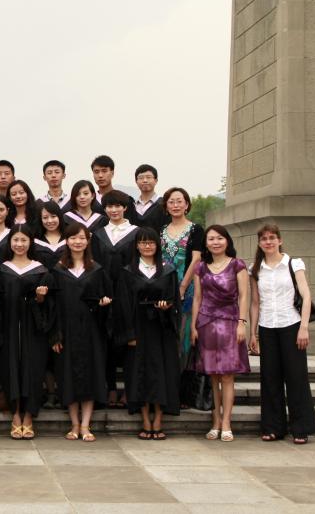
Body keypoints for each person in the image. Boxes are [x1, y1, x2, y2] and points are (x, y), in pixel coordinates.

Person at [248, 223, 315, 445]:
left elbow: (306, 296)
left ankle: (301, 427)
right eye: (264, 239)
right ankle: (273, 427)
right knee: (270, 378)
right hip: (267, 326)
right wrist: (253, 333)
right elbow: (255, 303)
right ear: (259, 243)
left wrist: (304, 327)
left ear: (280, 240)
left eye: (272, 238)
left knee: (296, 377)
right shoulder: (255, 269)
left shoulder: (293, 264)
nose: (268, 242)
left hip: (291, 325)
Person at [50, 223, 112, 442]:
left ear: (88, 241)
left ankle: (85, 425)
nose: (77, 242)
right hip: (66, 331)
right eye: (73, 238)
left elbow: (107, 299)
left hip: (91, 332)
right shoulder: (58, 270)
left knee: (90, 376)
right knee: (68, 376)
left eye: (82, 238)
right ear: (66, 241)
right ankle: (74, 424)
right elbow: (53, 306)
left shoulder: (97, 270)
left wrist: (104, 304)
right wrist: (55, 334)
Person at [191, 224, 250, 442]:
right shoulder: (201, 267)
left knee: (227, 375)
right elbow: (198, 298)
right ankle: (215, 420)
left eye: (219, 238)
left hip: (230, 323)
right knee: (212, 375)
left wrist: (242, 323)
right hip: (206, 323)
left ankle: (226, 422)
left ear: (227, 241)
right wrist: (193, 326)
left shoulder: (237, 265)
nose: (215, 242)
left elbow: (244, 296)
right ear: (206, 243)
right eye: (211, 239)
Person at [0, 224, 52, 440]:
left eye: (24, 240)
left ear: (31, 243)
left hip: (33, 330)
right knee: (11, 369)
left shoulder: (41, 270)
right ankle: (15, 414)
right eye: (16, 240)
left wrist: (40, 298)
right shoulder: (1, 270)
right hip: (9, 328)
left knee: (33, 370)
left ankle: (29, 415)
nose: (19, 244)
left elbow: (49, 306)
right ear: (10, 242)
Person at [123, 228, 180, 440]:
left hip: (161, 329)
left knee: (161, 373)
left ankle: (159, 419)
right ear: (137, 245)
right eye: (143, 242)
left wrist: (167, 307)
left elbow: (175, 300)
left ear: (158, 245)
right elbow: (123, 305)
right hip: (138, 328)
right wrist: (129, 334)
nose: (147, 246)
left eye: (151, 242)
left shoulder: (168, 270)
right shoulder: (128, 271)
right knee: (140, 372)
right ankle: (146, 418)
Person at [90, 190, 139, 408]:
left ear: (125, 208)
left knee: (129, 342)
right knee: (106, 342)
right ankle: (110, 388)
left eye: (118, 206)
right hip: (105, 295)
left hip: (129, 295)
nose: (114, 210)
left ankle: (129, 389)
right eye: (109, 206)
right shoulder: (98, 234)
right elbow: (94, 265)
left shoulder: (136, 233)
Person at [160, 186, 204, 369]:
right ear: (166, 206)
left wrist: (183, 287)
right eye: (171, 202)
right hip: (165, 289)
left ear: (187, 205)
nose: (175, 205)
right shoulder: (161, 230)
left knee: (185, 335)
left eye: (179, 201)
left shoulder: (195, 229)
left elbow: (197, 259)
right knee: (166, 335)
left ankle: (185, 381)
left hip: (188, 289)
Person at [126, 164, 167, 231]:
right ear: (136, 181)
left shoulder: (164, 204)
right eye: (141, 178)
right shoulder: (131, 206)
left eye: (148, 177)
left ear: (156, 180)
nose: (145, 180)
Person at [33, 201, 67, 268]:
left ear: (59, 217)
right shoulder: (35, 241)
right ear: (40, 219)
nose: (50, 221)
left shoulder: (69, 238)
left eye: (53, 216)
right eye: (45, 217)